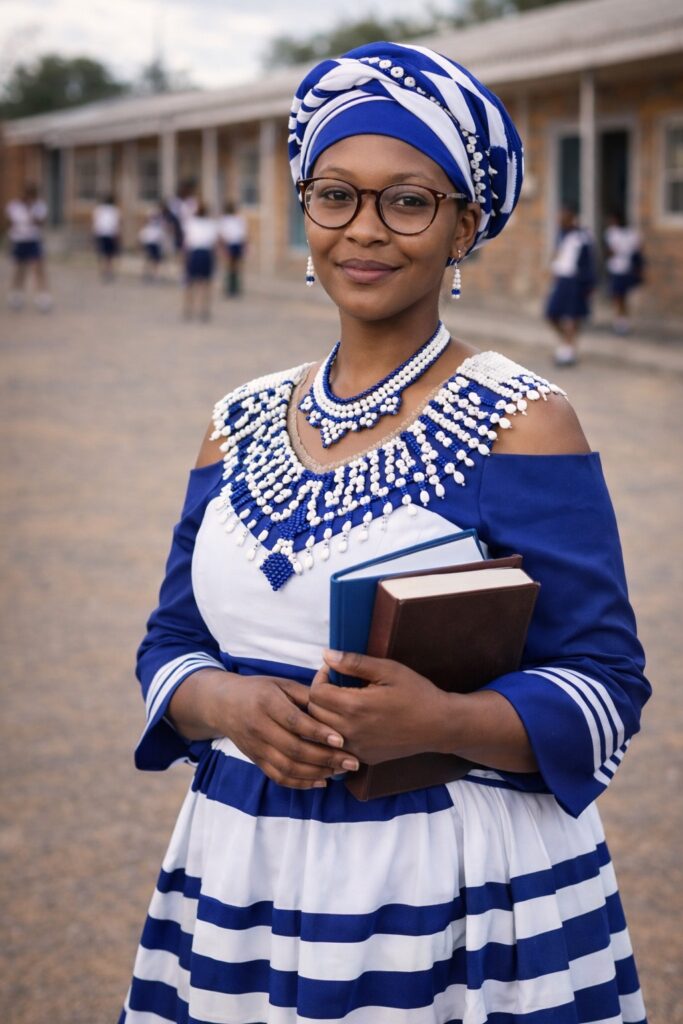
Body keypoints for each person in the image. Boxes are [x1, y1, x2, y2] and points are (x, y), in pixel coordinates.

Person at [120, 42, 649, 1024]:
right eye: (334, 195)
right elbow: (168, 644)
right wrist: (226, 702)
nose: (363, 231)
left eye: (406, 200)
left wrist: (439, 721)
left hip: (450, 896)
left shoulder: (520, 419)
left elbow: (605, 684)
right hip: (243, 874)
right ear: (304, 211)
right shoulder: (232, 421)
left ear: (464, 228)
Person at [545, 206, 596, 366]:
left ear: (571, 218)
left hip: (575, 281)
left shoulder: (582, 237)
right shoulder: (561, 234)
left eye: (563, 218)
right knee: (552, 313)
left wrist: (588, 284)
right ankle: (566, 343)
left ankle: (569, 349)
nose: (560, 221)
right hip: (562, 280)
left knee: (572, 316)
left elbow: (588, 262)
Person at [5, 183, 52, 312]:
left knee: (38, 268)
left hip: (33, 240)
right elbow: (9, 222)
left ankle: (43, 297)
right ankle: (16, 295)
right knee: (20, 269)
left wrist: (30, 211)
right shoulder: (14, 205)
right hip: (19, 240)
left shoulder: (39, 206)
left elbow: (41, 222)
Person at [605, 212, 644, 334]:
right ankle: (622, 321)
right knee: (622, 297)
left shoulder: (613, 233)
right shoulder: (633, 234)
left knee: (618, 297)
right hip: (627, 268)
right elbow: (638, 249)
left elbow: (612, 251)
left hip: (618, 268)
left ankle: (620, 323)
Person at [182, 201, 218, 321]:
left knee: (190, 283)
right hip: (206, 253)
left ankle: (189, 309)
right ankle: (204, 309)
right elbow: (214, 243)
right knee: (205, 284)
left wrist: (184, 258)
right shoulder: (211, 224)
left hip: (195, 253)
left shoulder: (191, 223)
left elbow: (187, 243)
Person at [219, 200, 248, 296]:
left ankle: (233, 287)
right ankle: (232, 287)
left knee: (232, 267)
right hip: (234, 244)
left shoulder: (229, 220)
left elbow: (223, 235)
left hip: (232, 244)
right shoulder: (235, 219)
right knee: (233, 266)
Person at [92, 194, 121, 281]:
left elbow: (95, 222)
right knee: (109, 254)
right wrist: (118, 235)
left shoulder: (99, 209)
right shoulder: (115, 210)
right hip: (110, 234)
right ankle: (108, 270)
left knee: (101, 253)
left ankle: (102, 270)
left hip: (100, 233)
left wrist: (93, 234)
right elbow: (116, 224)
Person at [138, 206, 166, 282]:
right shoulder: (149, 226)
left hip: (155, 242)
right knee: (149, 259)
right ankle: (146, 274)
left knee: (155, 260)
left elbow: (161, 234)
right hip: (150, 242)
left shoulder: (159, 223)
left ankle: (154, 275)